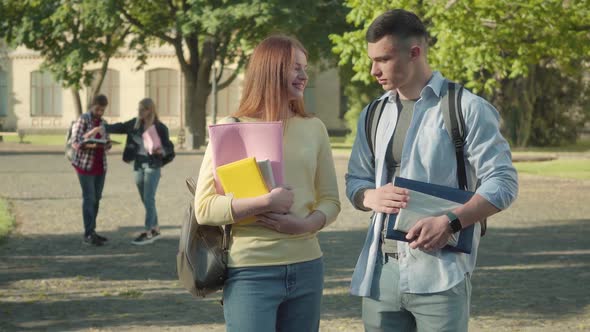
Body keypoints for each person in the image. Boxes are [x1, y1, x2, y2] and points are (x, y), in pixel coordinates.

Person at [345, 9, 518, 332]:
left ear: (415, 53)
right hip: (381, 274)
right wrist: (370, 196)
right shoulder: (372, 114)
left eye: (382, 59)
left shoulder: (466, 108)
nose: (373, 70)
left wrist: (451, 222)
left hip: (442, 274)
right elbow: (355, 180)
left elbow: (503, 182)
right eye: (372, 60)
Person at [194, 35, 341, 332]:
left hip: (308, 266)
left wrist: (305, 225)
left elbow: (331, 201)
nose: (304, 76)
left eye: (305, 67)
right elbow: (204, 208)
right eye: (295, 67)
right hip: (250, 271)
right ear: (270, 69)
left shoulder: (314, 128)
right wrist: (265, 203)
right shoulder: (231, 127)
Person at [91, 98, 175, 245]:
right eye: (139, 109)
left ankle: (149, 232)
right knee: (145, 198)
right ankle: (155, 228)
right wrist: (104, 127)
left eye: (143, 110)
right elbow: (120, 127)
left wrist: (161, 151)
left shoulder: (160, 128)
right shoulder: (135, 124)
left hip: (152, 165)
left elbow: (169, 149)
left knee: (149, 199)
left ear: (151, 110)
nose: (140, 112)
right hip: (137, 165)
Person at [70, 94, 112, 247]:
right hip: (84, 165)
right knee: (89, 198)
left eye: (103, 110)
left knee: (97, 198)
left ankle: (92, 230)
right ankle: (88, 234)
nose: (100, 112)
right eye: (98, 109)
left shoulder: (103, 123)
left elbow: (107, 142)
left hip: (100, 165)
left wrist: (107, 144)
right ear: (92, 106)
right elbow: (75, 142)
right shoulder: (83, 119)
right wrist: (91, 135)